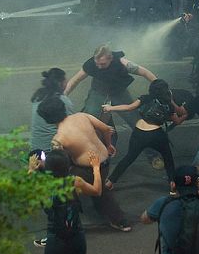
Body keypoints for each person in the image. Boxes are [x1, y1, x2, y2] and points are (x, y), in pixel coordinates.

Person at [39, 96, 132, 231]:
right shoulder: (82, 116)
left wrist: (42, 165)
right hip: (104, 160)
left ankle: (115, 219)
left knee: (81, 190)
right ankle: (111, 214)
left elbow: (60, 163)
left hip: (87, 167)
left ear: (47, 120)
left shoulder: (58, 139)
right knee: (100, 189)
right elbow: (106, 129)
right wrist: (109, 145)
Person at [102, 79, 187, 191]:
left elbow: (128, 107)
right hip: (157, 134)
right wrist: (185, 115)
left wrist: (111, 108)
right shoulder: (168, 105)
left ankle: (110, 181)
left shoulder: (145, 98)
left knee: (129, 158)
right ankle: (172, 183)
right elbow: (176, 121)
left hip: (139, 132)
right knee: (168, 159)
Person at [64, 45, 158, 127]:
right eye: (97, 64)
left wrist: (160, 86)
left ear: (111, 58)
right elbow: (75, 80)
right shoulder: (90, 64)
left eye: (103, 64)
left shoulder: (122, 62)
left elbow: (145, 72)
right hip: (98, 93)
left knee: (135, 120)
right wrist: (64, 95)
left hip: (119, 93)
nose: (99, 67)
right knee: (89, 120)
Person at [30, 68, 75, 152]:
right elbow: (71, 126)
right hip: (53, 151)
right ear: (60, 83)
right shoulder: (62, 100)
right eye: (65, 81)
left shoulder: (38, 97)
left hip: (35, 150)